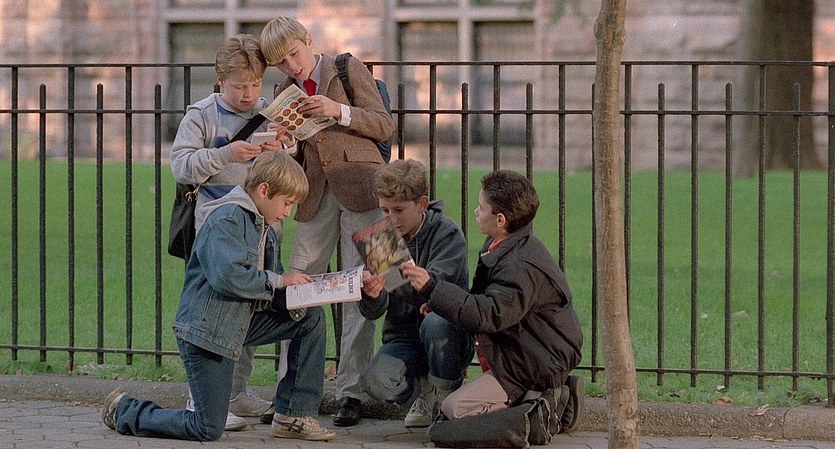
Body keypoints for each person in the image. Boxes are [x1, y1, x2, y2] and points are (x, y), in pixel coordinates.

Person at [101, 151, 336, 442]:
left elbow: (268, 289)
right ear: (264, 190)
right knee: (206, 428)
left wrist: (307, 292)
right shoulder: (228, 218)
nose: (288, 212)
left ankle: (293, 416)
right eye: (287, 202)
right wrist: (279, 280)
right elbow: (228, 276)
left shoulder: (267, 229)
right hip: (206, 332)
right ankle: (124, 409)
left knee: (309, 318)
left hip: (238, 322)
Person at [260, 16, 395, 427]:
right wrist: (286, 144)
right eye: (281, 63)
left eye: (294, 54)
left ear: (308, 40)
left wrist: (338, 110)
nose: (291, 66)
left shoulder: (347, 67)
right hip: (314, 195)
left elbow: (384, 124)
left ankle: (351, 392)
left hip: (367, 188)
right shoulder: (284, 91)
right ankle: (291, 393)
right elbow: (301, 155)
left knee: (368, 284)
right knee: (299, 286)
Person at [169, 34, 290, 430]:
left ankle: (235, 393)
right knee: (212, 311)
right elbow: (181, 165)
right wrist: (226, 154)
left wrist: (282, 150)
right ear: (220, 79)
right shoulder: (202, 115)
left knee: (252, 303)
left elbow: (283, 173)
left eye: (255, 84)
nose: (248, 93)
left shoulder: (267, 113)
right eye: (239, 86)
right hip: (215, 228)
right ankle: (200, 396)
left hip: (260, 228)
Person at [401, 169, 585, 430]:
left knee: (453, 412)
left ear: (500, 219)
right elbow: (484, 301)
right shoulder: (503, 244)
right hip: (520, 350)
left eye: (481, 207)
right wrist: (440, 303)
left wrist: (431, 287)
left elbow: (488, 315)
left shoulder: (518, 265)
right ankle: (544, 396)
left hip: (534, 362)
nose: (476, 212)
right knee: (450, 414)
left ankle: (542, 407)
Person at [357, 159, 474, 428]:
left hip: (447, 336)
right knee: (374, 382)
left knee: (435, 321)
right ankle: (424, 392)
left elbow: (436, 292)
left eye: (398, 209)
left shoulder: (447, 233)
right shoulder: (383, 238)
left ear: (422, 204)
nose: (390, 218)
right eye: (385, 210)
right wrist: (372, 293)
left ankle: (446, 396)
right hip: (403, 339)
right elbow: (374, 312)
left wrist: (403, 281)